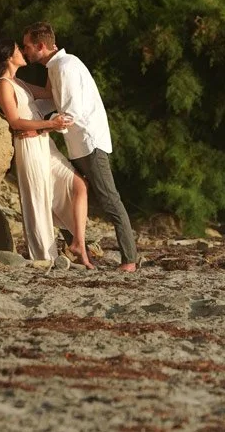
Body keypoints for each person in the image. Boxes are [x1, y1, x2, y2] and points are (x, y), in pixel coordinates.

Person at [19, 22, 139, 271]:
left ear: (41, 46)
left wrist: (41, 127)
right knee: (69, 190)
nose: (25, 50)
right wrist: (12, 83)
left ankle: (129, 261)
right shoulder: (56, 67)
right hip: (78, 145)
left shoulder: (65, 67)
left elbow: (70, 112)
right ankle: (76, 245)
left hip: (89, 143)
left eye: (27, 46)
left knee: (110, 200)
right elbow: (48, 97)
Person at [0, 39, 94, 270]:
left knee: (78, 185)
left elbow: (48, 94)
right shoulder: (3, 84)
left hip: (44, 143)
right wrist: (49, 125)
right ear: (8, 56)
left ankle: (78, 243)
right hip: (29, 146)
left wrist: (51, 62)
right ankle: (44, 257)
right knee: (37, 199)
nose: (23, 52)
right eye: (18, 49)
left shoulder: (20, 83)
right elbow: (15, 121)